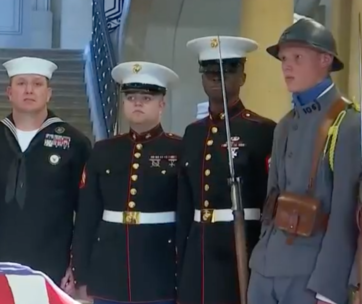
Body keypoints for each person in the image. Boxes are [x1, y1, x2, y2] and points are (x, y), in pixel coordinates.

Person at [247, 18, 360, 304]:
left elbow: (345, 214)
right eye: (284, 58)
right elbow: (272, 202)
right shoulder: (285, 124)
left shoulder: (348, 124)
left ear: (325, 60)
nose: (287, 65)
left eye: (297, 57)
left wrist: (329, 289)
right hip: (264, 272)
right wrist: (260, 262)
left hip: (310, 279)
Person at [0, 57, 91, 287]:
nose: (29, 90)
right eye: (21, 83)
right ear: (9, 92)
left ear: (49, 93)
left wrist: (77, 264)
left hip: (52, 264)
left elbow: (86, 211)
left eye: (37, 84)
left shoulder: (74, 143)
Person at [176, 36, 276, 304]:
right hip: (198, 248)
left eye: (227, 69)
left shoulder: (262, 130)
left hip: (242, 245)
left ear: (242, 76)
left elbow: (272, 199)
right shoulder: (193, 133)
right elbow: (185, 200)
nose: (216, 77)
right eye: (209, 71)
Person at [72, 61, 181, 304]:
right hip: (108, 272)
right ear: (123, 104)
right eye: (131, 97)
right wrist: (82, 276)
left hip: (160, 273)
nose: (138, 103)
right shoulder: (103, 150)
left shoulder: (179, 149)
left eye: (146, 97)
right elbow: (87, 218)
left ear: (161, 105)